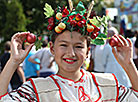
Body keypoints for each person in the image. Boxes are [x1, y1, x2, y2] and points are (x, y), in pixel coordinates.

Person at [0, 1, 138, 101]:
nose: (71, 53)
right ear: (52, 49)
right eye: (63, 45)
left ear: (88, 51)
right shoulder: (37, 90)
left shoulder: (106, 83)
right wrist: (14, 61)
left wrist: (128, 64)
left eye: (78, 46)